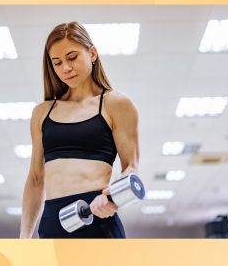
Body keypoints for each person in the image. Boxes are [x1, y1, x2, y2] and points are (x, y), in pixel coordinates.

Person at [19, 21, 139, 238]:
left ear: (92, 53)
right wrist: (23, 238)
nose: (65, 68)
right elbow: (36, 179)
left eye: (72, 57)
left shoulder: (116, 104)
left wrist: (112, 197)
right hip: (52, 223)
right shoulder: (42, 113)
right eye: (57, 63)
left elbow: (131, 167)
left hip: (97, 218)